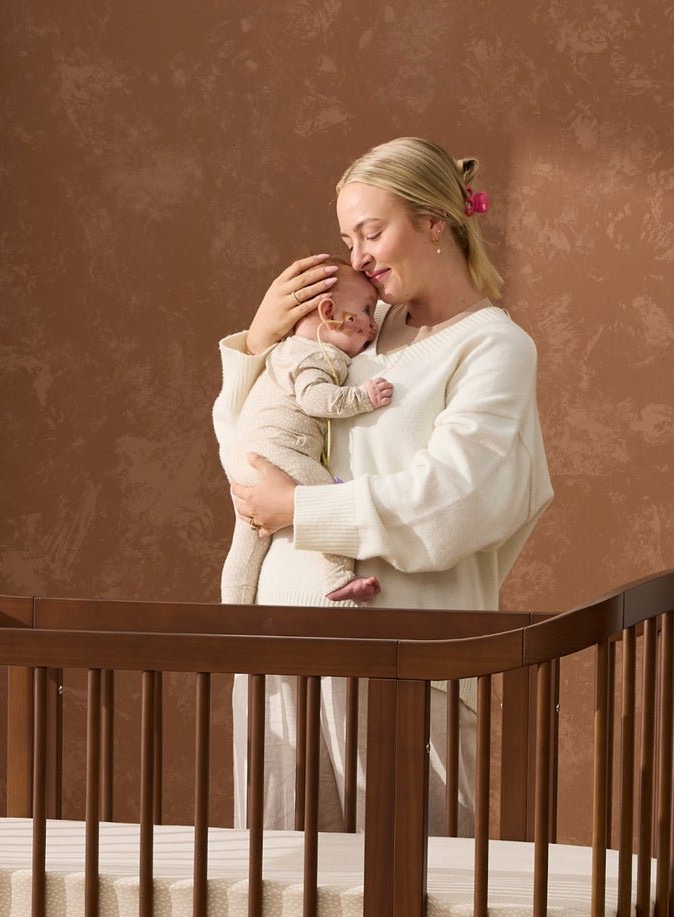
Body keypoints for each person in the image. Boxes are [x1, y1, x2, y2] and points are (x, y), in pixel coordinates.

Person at [213, 136, 554, 835]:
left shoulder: (491, 348)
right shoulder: (355, 332)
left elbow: (455, 501)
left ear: (435, 221)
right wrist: (259, 342)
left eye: (371, 232)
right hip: (283, 650)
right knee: (282, 888)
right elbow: (254, 453)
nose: (358, 256)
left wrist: (300, 509)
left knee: (409, 884)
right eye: (348, 239)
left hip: (405, 663)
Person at [220, 262, 392, 607]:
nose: (373, 325)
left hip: (246, 459)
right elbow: (315, 399)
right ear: (328, 313)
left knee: (246, 544)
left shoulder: (287, 350)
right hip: (277, 455)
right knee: (326, 498)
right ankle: (338, 578)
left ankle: (233, 613)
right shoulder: (318, 355)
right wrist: (362, 398)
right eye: (366, 311)